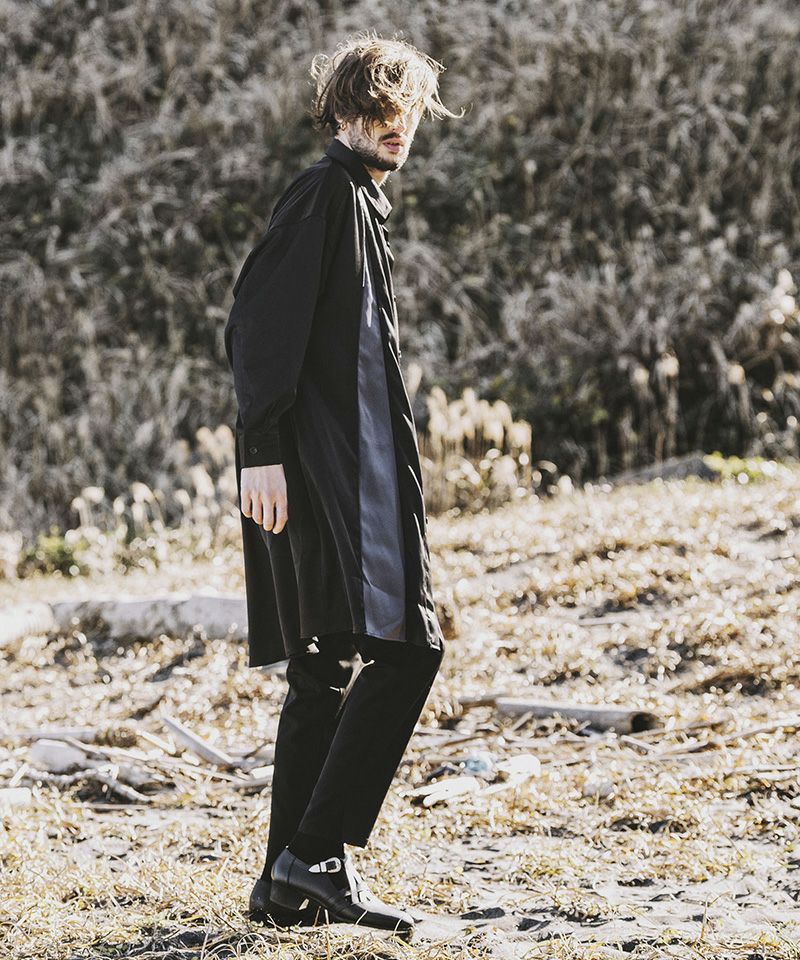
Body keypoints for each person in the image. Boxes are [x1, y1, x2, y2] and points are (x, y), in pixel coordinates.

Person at [223, 32, 463, 932]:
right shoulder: (325, 194)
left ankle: (284, 887)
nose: (395, 123)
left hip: (342, 470)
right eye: (376, 107)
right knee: (411, 648)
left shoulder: (357, 200)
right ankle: (318, 853)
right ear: (341, 113)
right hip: (331, 477)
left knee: (324, 665)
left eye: (406, 109)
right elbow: (257, 325)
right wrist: (260, 450)